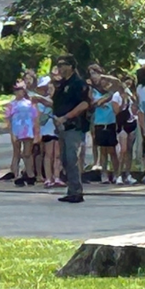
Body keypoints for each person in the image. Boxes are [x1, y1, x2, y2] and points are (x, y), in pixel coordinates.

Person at [50, 55, 91, 203]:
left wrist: (66, 117)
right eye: (58, 65)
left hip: (74, 126)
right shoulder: (61, 85)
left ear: (71, 67)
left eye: (62, 65)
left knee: (72, 158)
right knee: (65, 160)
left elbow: (84, 104)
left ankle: (77, 192)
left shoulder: (78, 83)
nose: (59, 68)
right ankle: (71, 189)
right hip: (61, 126)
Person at [5, 81, 38, 185]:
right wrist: (11, 133)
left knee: (27, 153)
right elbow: (8, 120)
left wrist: (36, 131)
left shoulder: (29, 103)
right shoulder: (11, 104)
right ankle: (16, 174)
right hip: (17, 130)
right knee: (17, 153)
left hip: (28, 130)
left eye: (21, 90)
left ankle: (30, 174)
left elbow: (35, 117)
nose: (19, 92)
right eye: (17, 90)